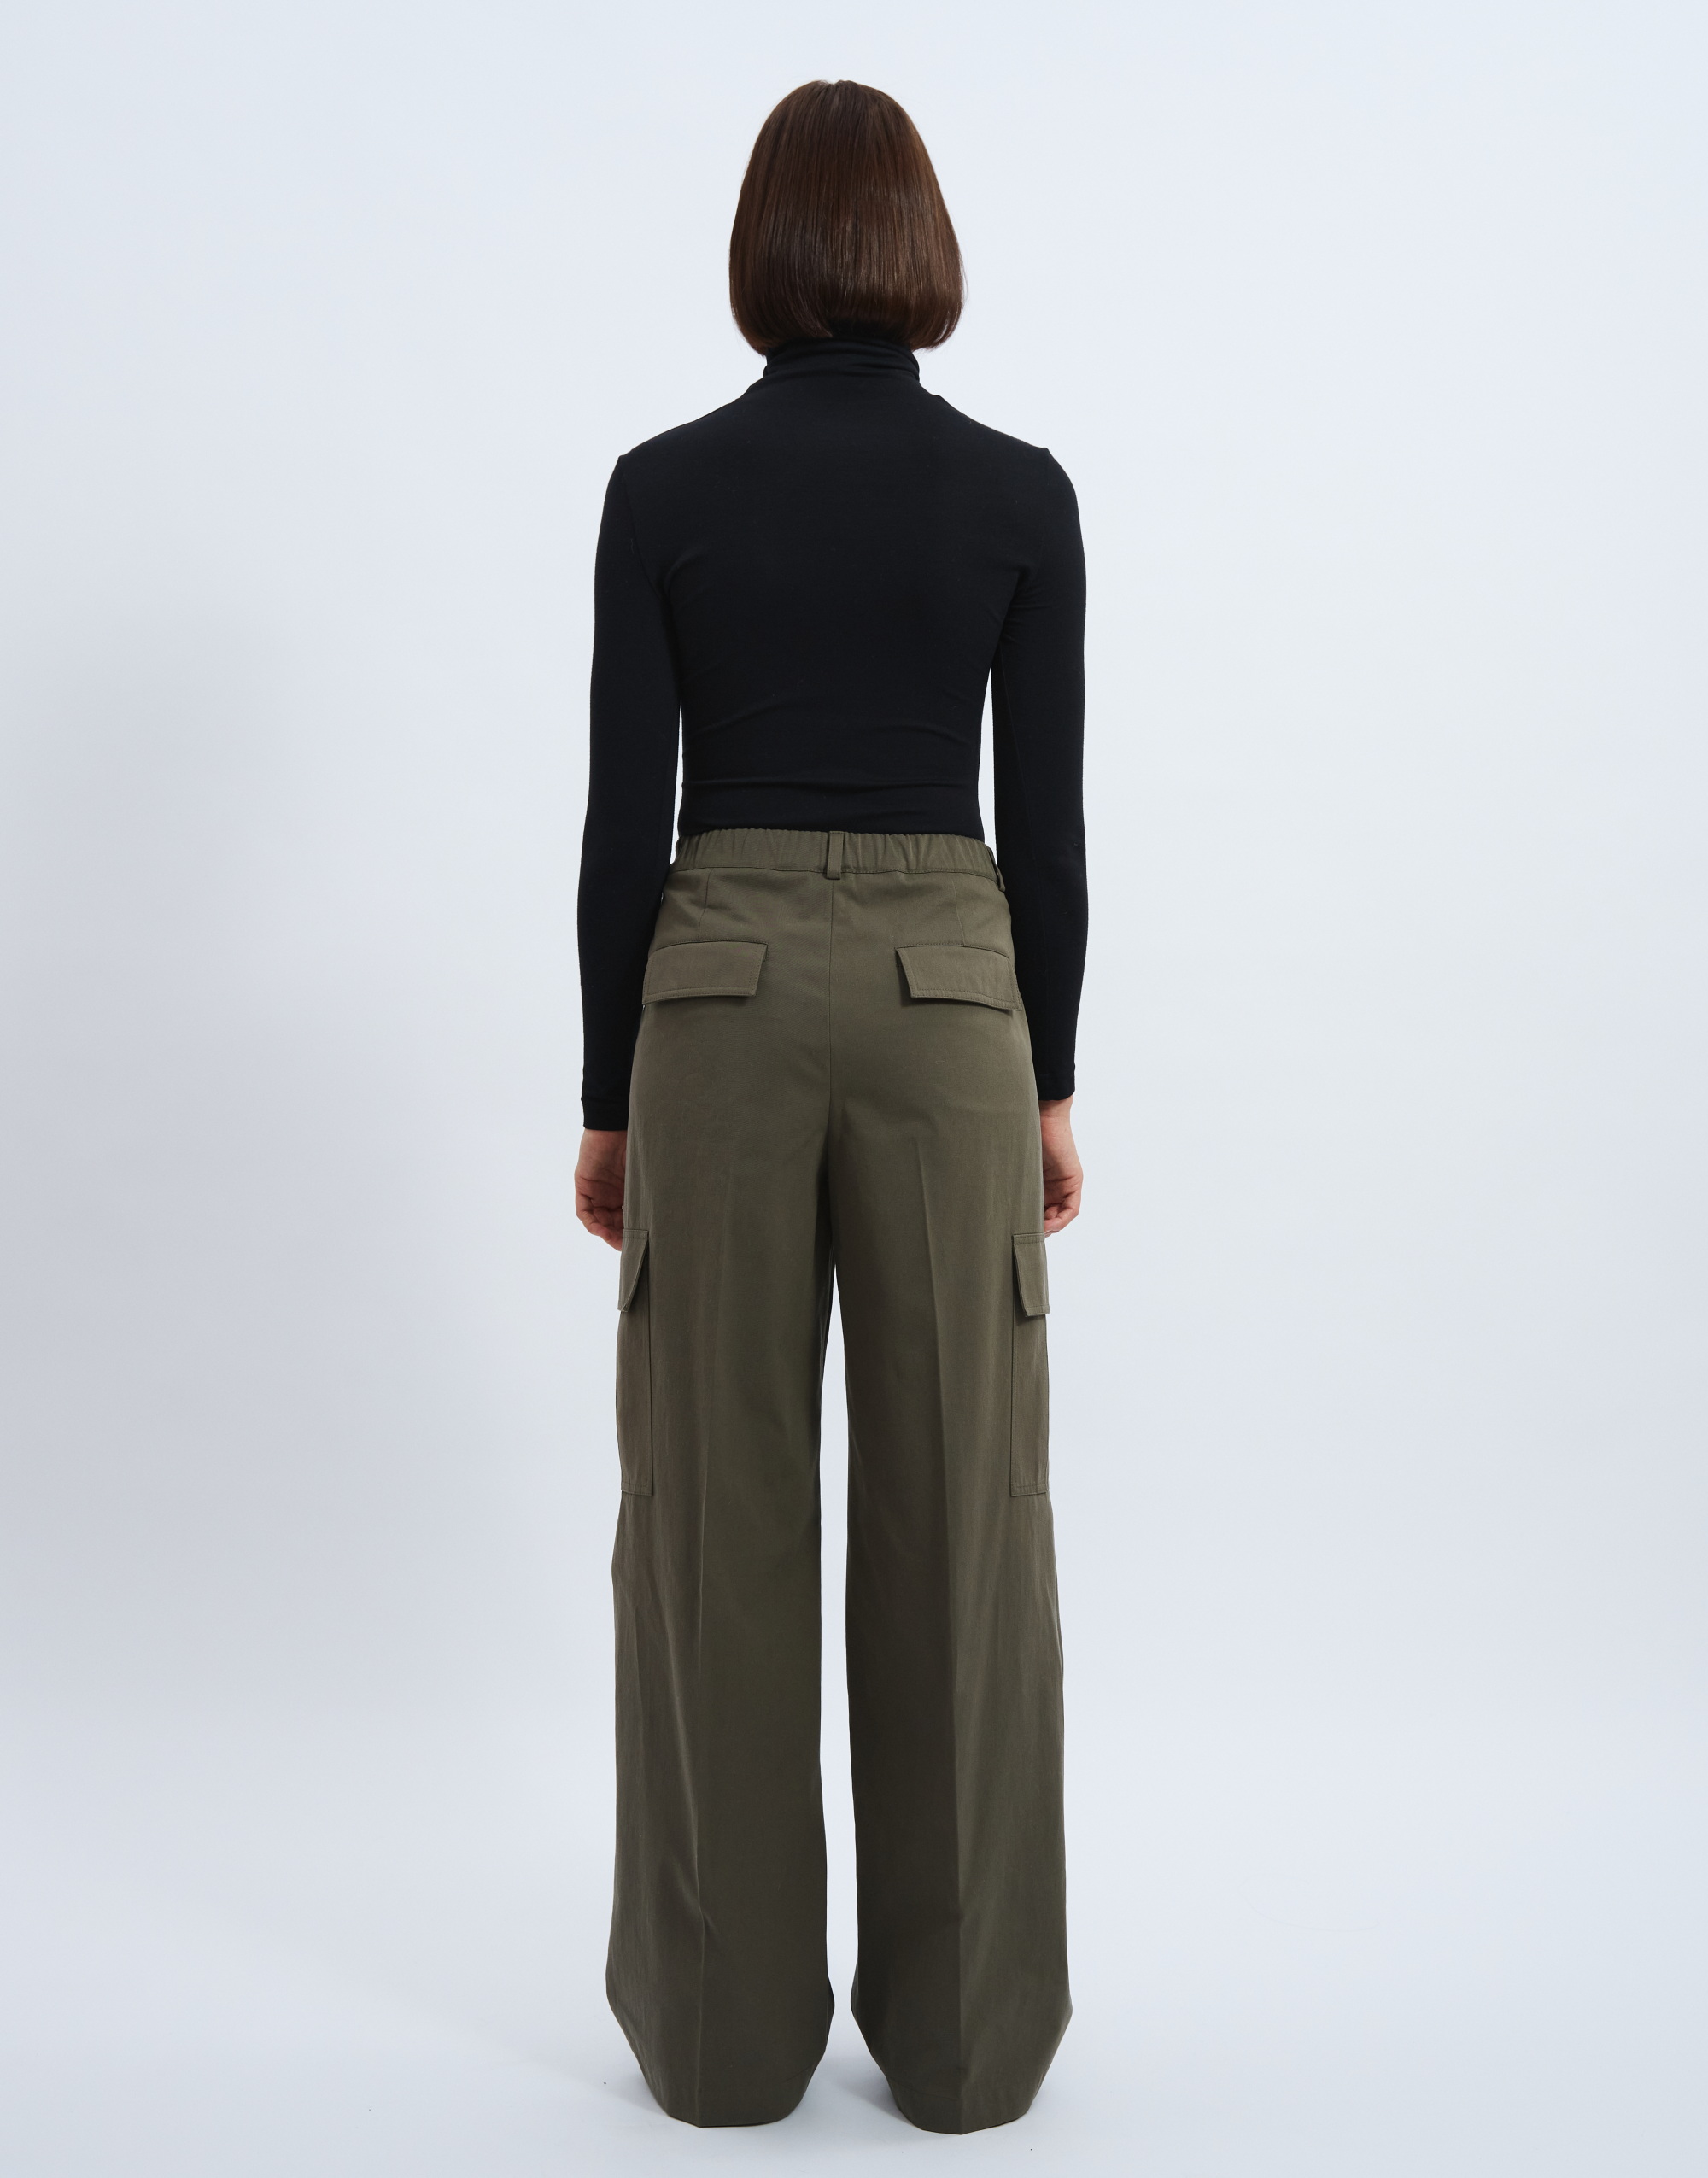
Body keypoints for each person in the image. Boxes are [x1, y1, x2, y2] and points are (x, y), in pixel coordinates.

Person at [573, 78, 1086, 2135]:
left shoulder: (660, 487)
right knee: (966, 1508)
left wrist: (606, 1099)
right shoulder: (1020, 495)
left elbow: (622, 824)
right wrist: (1049, 1083)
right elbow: (1045, 831)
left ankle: (720, 2044)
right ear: (922, 248)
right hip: (955, 996)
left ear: (762, 251)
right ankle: (966, 2052)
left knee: (711, 1509)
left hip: (711, 996)